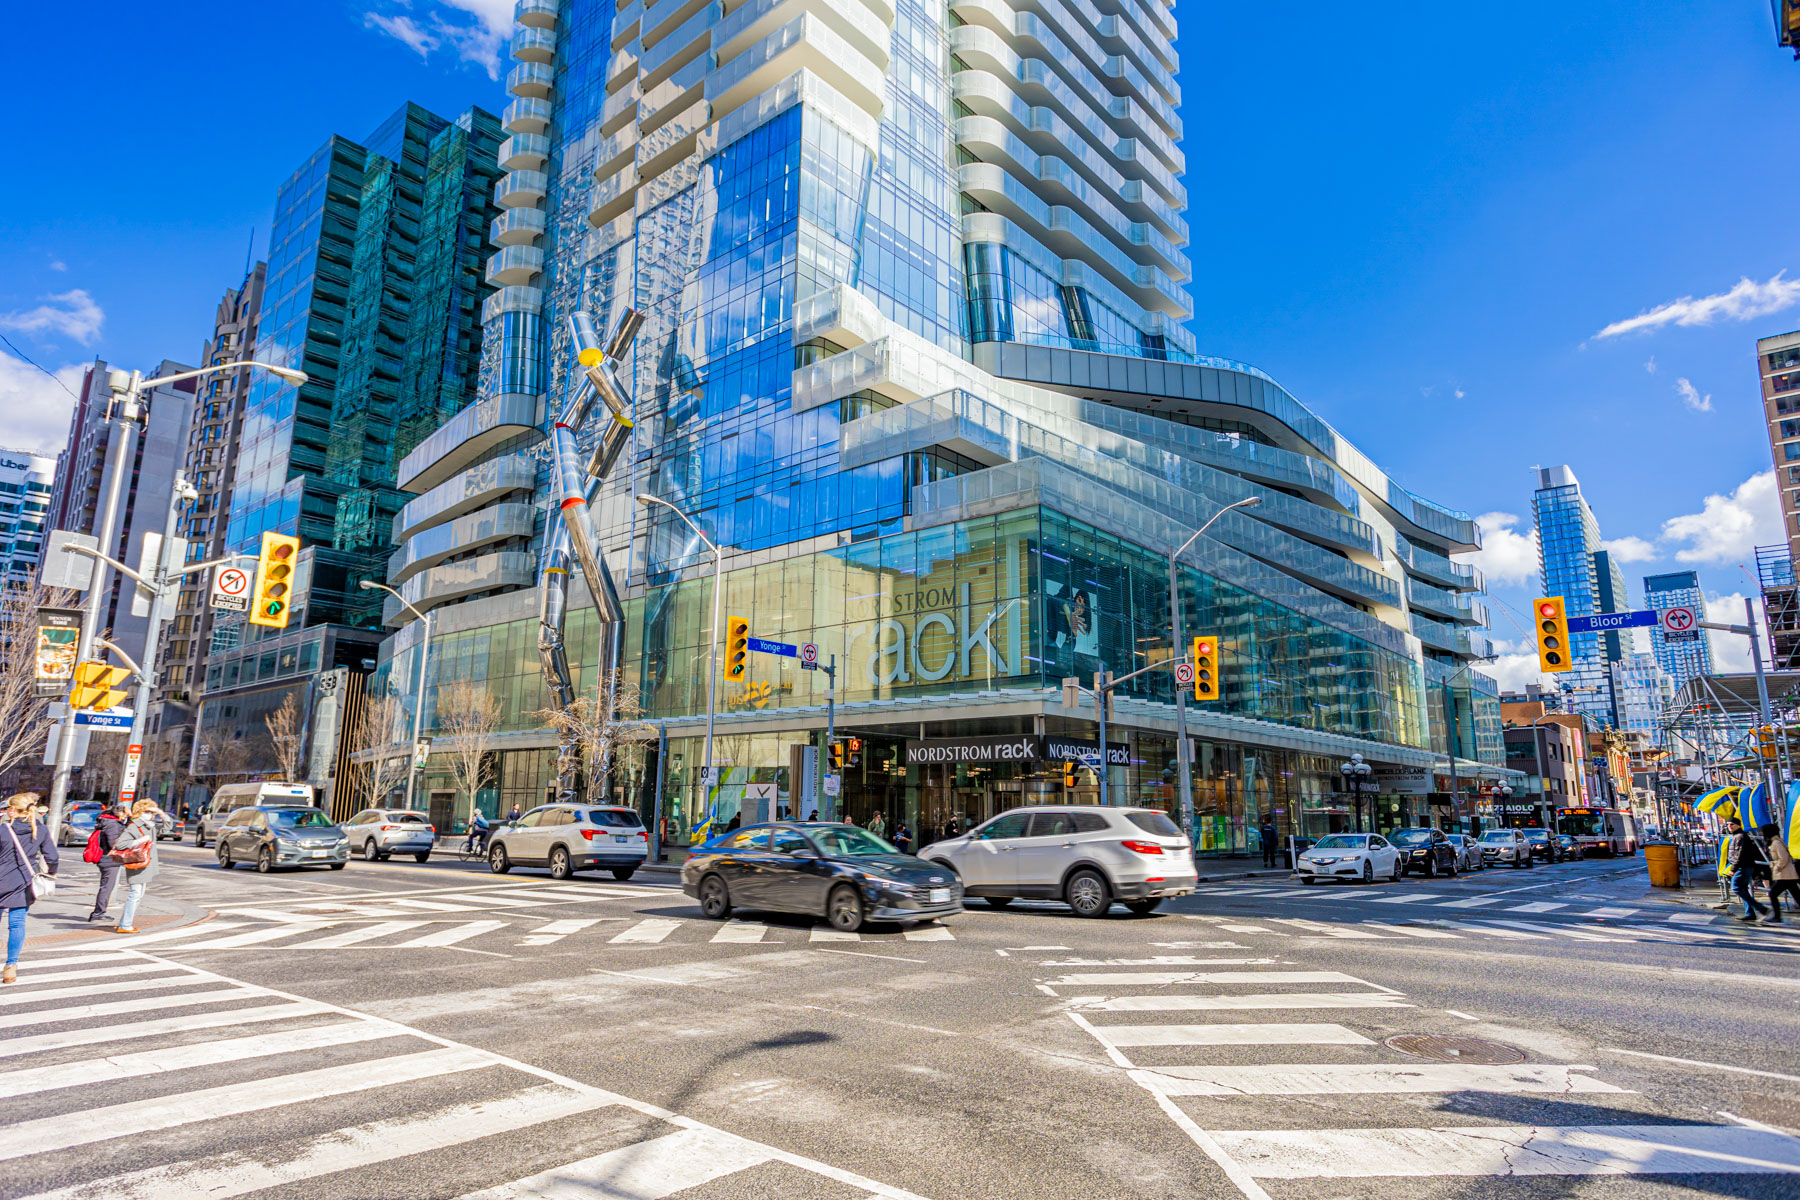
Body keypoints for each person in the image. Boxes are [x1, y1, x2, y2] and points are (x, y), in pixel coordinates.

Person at [1, 792, 58, 983]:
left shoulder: (3, 830)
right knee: (17, 924)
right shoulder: (40, 830)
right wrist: (52, 874)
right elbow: (52, 857)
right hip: (23, 882)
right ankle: (11, 966)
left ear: (13, 811)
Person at [110, 800, 162, 935]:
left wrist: (161, 813)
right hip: (136, 864)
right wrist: (139, 841)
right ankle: (125, 925)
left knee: (138, 895)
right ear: (140, 812)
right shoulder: (134, 826)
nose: (150, 815)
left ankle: (124, 923)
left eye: (152, 812)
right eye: (147, 812)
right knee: (135, 895)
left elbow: (168, 826)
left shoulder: (150, 826)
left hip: (144, 864)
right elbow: (120, 845)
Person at [1726, 818, 1770, 924]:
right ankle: (1750, 913)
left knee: (1736, 888)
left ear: (1738, 825)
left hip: (1743, 867)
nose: (1729, 826)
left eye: (1732, 824)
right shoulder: (1737, 836)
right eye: (1727, 824)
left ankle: (1760, 908)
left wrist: (1733, 869)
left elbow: (1740, 854)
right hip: (1743, 866)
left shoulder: (1740, 836)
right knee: (1743, 889)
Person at [90, 797, 126, 922]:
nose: (125, 816)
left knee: (105, 886)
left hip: (104, 858)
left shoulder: (105, 821)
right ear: (119, 813)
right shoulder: (113, 825)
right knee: (106, 887)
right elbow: (113, 843)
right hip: (109, 859)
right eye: (124, 813)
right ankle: (98, 913)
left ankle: (99, 912)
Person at [1763, 823, 1799, 924]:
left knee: (1773, 893)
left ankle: (1777, 917)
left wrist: (1776, 867)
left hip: (1784, 874)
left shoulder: (1776, 843)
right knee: (1797, 895)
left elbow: (1783, 858)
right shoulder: (1776, 841)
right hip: (1787, 874)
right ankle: (1777, 916)